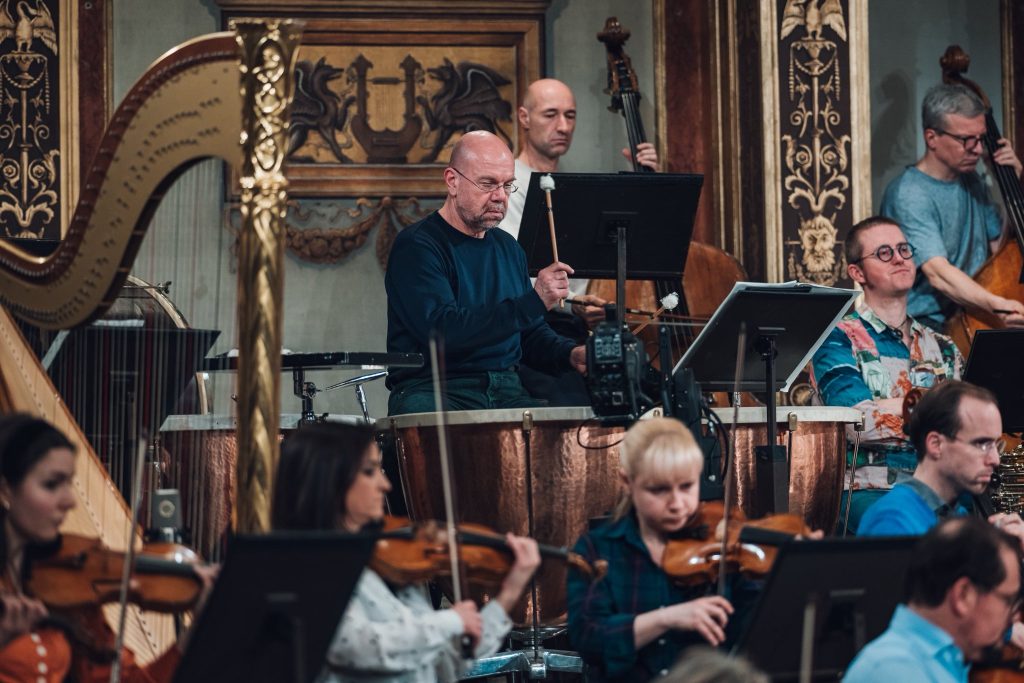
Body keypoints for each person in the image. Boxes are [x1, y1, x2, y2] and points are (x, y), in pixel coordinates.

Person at [270, 421, 541, 683]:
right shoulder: (305, 566)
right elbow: (358, 648)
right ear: (328, 478)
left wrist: (508, 594)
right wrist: (451, 620)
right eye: (369, 471)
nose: (385, 485)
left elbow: (442, 666)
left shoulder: (390, 564)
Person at [385, 130, 585, 415]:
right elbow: (443, 331)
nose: (500, 197)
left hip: (506, 388)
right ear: (452, 181)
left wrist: (571, 354)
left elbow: (527, 335)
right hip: (435, 388)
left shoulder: (509, 249)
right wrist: (533, 301)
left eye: (507, 185)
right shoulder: (417, 246)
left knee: (561, 438)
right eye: (488, 184)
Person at [0, 413, 210, 683]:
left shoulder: (67, 583)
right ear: (5, 489)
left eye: (69, 483)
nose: (70, 501)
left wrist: (192, 637)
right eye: (52, 484)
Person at [812, 216, 963, 533]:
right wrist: (931, 412)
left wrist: (891, 406)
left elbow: (963, 428)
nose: (899, 258)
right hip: (867, 490)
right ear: (857, 272)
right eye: (883, 253)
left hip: (940, 490)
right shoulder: (836, 339)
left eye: (904, 249)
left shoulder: (944, 347)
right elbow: (855, 426)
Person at [567, 418, 741, 682]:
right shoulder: (597, 549)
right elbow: (589, 639)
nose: (677, 503)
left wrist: (792, 566)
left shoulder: (720, 545)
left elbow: (759, 626)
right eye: (659, 490)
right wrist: (667, 618)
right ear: (627, 482)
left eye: (687, 486)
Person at [499, 78, 661, 327]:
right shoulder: (506, 185)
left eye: (570, 115)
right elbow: (512, 273)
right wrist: (575, 303)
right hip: (537, 326)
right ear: (524, 118)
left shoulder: (575, 187)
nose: (563, 126)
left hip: (586, 320)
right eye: (550, 115)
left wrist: (648, 184)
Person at [879, 82, 1024, 332]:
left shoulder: (972, 181)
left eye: (980, 139)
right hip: (928, 323)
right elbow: (939, 274)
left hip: (972, 309)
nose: (978, 149)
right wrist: (999, 305)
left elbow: (998, 252)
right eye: (967, 140)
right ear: (932, 137)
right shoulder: (909, 193)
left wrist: (1014, 182)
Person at [842, 517, 1022, 682]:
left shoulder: (945, 661)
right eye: (1008, 600)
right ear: (963, 595)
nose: (1014, 617)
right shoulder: (896, 670)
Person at [857, 380, 1024, 541]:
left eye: (996, 445)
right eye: (982, 443)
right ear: (936, 444)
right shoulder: (891, 521)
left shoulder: (957, 516)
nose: (995, 460)